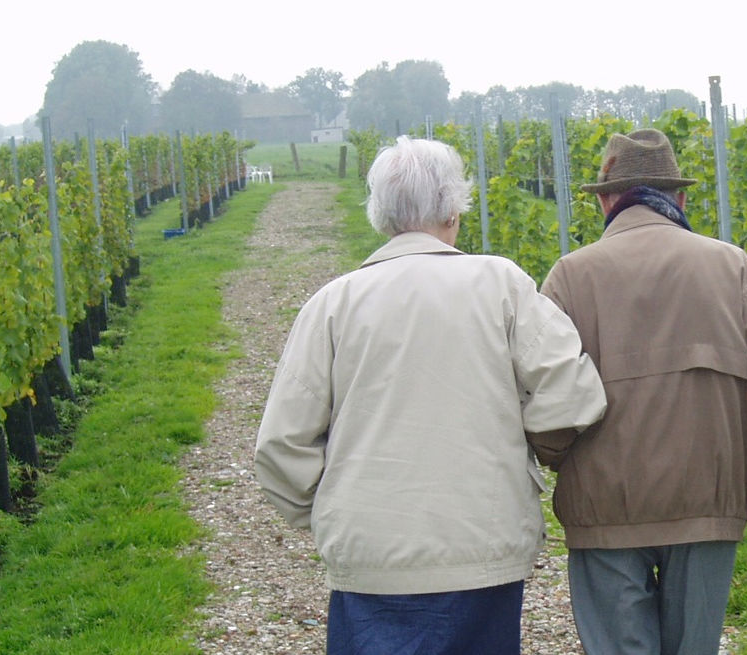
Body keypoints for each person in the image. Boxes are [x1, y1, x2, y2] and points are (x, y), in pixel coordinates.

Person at [254, 136, 607, 655]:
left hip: (371, 555)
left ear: (380, 215)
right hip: (480, 545)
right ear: (452, 209)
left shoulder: (332, 304)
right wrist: (525, 451)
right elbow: (572, 395)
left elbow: (280, 445)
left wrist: (334, 510)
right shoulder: (501, 285)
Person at [529, 129, 747, 654]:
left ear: (605, 199)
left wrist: (556, 459)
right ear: (680, 197)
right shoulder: (731, 266)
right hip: (705, 505)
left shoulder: (570, 277)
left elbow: (544, 405)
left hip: (603, 511)